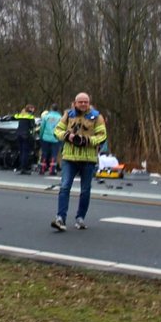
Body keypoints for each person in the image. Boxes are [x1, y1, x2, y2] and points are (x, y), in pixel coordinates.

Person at [51, 92, 107, 231]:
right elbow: (57, 130)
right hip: (69, 158)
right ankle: (60, 218)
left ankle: (80, 218)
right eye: (80, 102)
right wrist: (67, 136)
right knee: (64, 187)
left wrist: (87, 141)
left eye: (85, 102)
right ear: (75, 103)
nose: (83, 104)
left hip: (88, 159)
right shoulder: (68, 115)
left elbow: (102, 135)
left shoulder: (96, 116)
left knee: (85, 190)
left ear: (89, 103)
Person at [12, 103, 37, 174]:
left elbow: (14, 117)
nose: (33, 110)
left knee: (21, 151)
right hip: (25, 135)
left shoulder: (20, 115)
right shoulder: (30, 116)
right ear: (30, 109)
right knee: (25, 152)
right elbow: (32, 126)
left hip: (18, 135)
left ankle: (21, 166)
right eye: (32, 108)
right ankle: (24, 168)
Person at [39, 103, 62, 175]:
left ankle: (42, 169)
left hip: (46, 137)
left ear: (51, 108)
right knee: (54, 154)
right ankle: (52, 169)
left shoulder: (46, 116)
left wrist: (41, 136)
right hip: (55, 138)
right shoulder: (60, 117)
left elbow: (42, 127)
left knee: (44, 153)